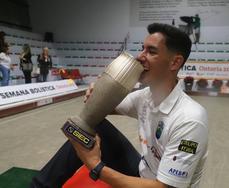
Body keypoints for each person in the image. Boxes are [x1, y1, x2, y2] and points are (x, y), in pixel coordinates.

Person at [30, 23, 208, 188]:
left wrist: (96, 166)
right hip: (142, 173)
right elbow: (102, 107)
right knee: (93, 123)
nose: (140, 56)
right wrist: (99, 92)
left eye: (151, 51)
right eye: (142, 49)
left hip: (158, 185)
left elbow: (164, 187)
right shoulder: (145, 96)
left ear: (175, 62)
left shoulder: (190, 119)